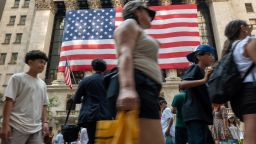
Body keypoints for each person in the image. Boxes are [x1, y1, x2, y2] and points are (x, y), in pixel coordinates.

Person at [113, 0, 164, 143]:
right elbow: (125, 53)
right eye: (148, 12)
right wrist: (127, 88)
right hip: (139, 84)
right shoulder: (129, 24)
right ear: (138, 11)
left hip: (148, 87)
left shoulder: (138, 30)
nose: (151, 17)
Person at [0, 50, 49, 144]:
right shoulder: (17, 78)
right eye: (40, 61)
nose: (43, 65)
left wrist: (45, 122)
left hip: (36, 129)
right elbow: (9, 101)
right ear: (30, 62)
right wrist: (5, 125)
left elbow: (44, 105)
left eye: (44, 63)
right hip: (16, 125)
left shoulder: (43, 84)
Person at [223, 20, 256, 144]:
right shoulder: (249, 43)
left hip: (238, 96)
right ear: (243, 28)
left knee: (250, 135)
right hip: (252, 92)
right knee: (252, 137)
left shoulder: (230, 47)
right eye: (249, 26)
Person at [179, 45, 215, 144]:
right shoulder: (195, 68)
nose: (212, 57)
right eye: (209, 54)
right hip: (195, 114)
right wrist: (204, 80)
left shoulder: (203, 73)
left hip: (201, 115)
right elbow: (182, 85)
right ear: (199, 56)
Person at [73, 59, 112, 144]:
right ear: (104, 69)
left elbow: (76, 99)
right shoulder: (110, 80)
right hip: (107, 115)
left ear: (93, 68)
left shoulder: (86, 80)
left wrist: (83, 99)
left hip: (91, 115)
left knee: (92, 140)